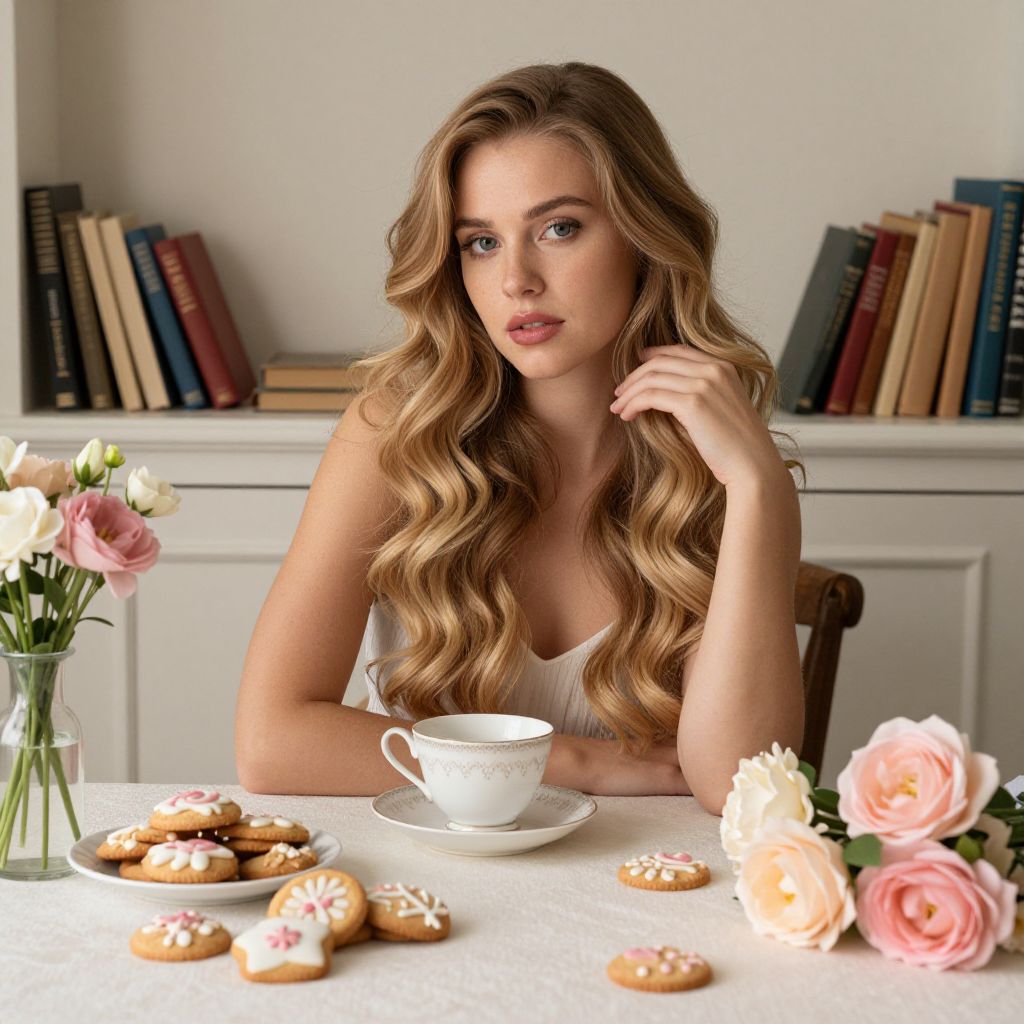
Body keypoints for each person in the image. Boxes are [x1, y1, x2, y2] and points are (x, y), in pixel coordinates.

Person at [235, 62, 805, 814]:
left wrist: (760, 489)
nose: (516, 281)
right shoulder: (393, 437)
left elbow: (736, 785)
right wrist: (576, 761)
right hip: (423, 872)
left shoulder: (718, 468)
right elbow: (272, 741)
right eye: (481, 242)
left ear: (644, 235)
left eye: (558, 229)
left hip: (637, 877)